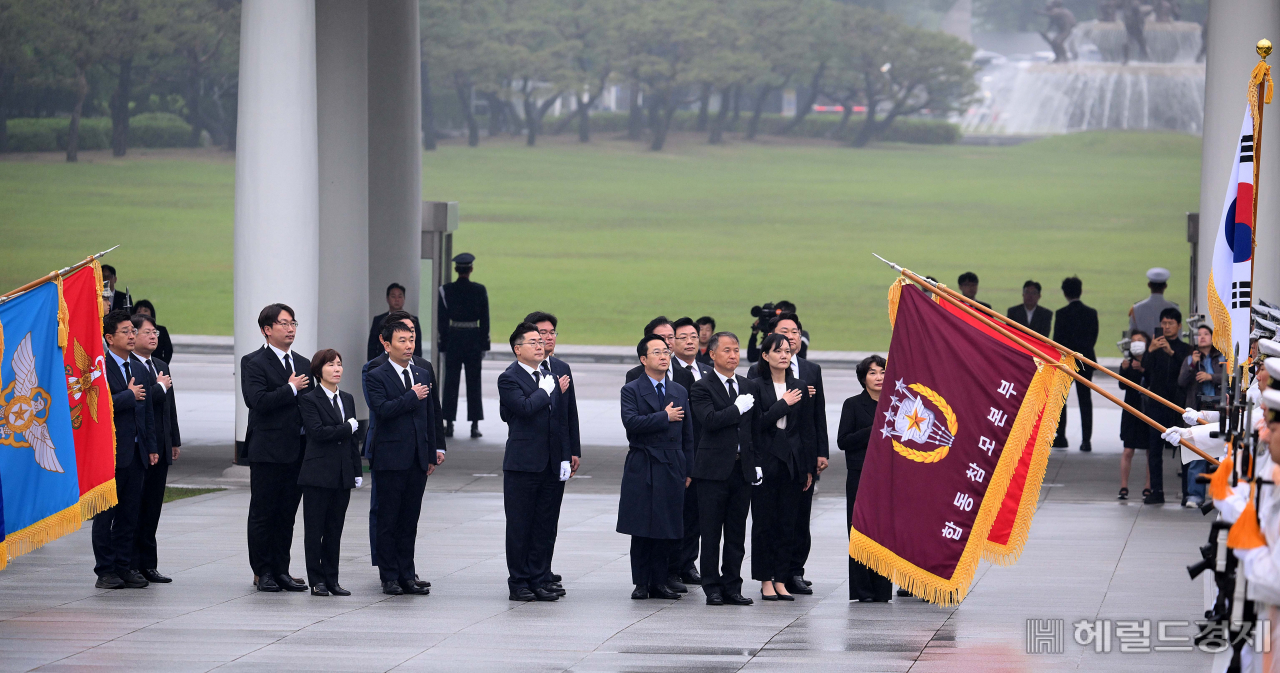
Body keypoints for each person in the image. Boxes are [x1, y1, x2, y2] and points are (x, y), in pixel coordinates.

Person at [361, 310, 441, 594]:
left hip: (417, 458)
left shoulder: (421, 372)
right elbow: (382, 410)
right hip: (390, 458)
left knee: (409, 519)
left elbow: (430, 414)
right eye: (402, 340)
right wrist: (411, 396)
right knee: (388, 518)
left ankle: (408, 573)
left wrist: (431, 451)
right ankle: (389, 575)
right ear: (387, 344)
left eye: (412, 339)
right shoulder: (376, 374)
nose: (409, 345)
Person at [749, 313, 826, 593]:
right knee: (764, 524)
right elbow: (756, 424)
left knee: (788, 523)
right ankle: (765, 580)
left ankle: (781, 579)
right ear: (766, 355)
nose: (784, 354)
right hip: (767, 462)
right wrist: (782, 404)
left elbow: (807, 428)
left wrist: (808, 467)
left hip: (793, 464)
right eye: (777, 350)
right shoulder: (756, 385)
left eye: (787, 350)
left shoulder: (799, 385)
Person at [240, 303, 311, 593]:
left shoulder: (305, 364)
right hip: (267, 451)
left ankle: (282, 569)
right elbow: (257, 400)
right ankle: (262, 571)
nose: (290, 328)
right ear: (266, 330)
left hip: (297, 451)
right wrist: (291, 388)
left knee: (287, 514)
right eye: (284, 323)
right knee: (263, 513)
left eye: (293, 323)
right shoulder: (253, 362)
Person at [619, 334, 694, 600]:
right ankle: (641, 582)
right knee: (642, 527)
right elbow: (632, 423)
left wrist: (688, 469)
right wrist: (664, 416)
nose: (664, 356)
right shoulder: (631, 389)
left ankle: (660, 581)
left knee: (666, 527)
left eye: (666, 352)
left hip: (672, 463)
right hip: (644, 462)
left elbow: (688, 434)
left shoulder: (679, 390)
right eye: (657, 352)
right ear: (643, 359)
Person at [497, 323, 567, 602]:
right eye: (533, 342)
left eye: (542, 341)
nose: (540, 345)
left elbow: (558, 421)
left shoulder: (548, 375)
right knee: (520, 525)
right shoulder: (509, 378)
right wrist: (545, 391)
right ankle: (519, 581)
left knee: (544, 524)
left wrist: (564, 454)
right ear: (518, 349)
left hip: (550, 462)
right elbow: (523, 409)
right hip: (523, 464)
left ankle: (539, 578)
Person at [688, 331, 759, 606]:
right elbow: (709, 420)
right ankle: (712, 586)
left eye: (736, 351)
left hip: (742, 470)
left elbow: (752, 429)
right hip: (712, 471)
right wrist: (736, 408)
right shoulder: (702, 386)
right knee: (711, 532)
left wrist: (756, 462)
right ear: (713, 354)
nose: (733, 356)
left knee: (736, 533)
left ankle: (732, 585)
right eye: (727, 350)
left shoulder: (747, 385)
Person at [93, 310, 157, 589]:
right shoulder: (99, 367)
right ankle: (105, 570)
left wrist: (152, 447)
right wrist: (127, 396)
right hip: (109, 453)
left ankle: (124, 566)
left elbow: (147, 413)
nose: (132, 336)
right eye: (125, 332)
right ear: (109, 337)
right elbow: (96, 405)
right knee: (105, 514)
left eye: (133, 330)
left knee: (130, 513)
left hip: (136, 453)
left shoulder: (140, 368)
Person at [523, 311, 581, 597]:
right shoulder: (523, 372)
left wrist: (573, 450)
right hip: (532, 457)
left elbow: (569, 414)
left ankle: (544, 569)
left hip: (557, 453)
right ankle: (531, 573)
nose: (548, 338)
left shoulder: (561, 367)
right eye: (541, 333)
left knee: (549, 518)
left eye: (552, 332)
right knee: (530, 520)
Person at [297, 349, 363, 597]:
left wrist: (356, 470)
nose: (337, 369)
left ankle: (333, 579)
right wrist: (346, 427)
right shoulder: (310, 399)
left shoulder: (347, 398)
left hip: (342, 474)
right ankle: (317, 579)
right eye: (330, 365)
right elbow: (318, 432)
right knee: (315, 531)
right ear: (318, 370)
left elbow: (352, 440)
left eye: (339, 364)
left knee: (335, 530)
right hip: (317, 474)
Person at [129, 312, 181, 585]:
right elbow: (143, 401)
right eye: (147, 332)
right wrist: (159, 388)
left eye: (155, 334)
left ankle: (149, 563)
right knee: (136, 506)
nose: (153, 337)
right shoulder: (130, 366)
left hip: (161, 444)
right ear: (132, 335)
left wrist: (174, 440)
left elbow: (169, 408)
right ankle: (133, 563)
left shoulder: (161, 364)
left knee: (153, 508)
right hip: (140, 448)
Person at [837, 354, 893, 602]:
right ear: (863, 378)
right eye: (872, 373)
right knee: (859, 531)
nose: (878, 377)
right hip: (860, 476)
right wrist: (874, 428)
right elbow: (843, 441)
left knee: (884, 532)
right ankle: (862, 590)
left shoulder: (897, 404)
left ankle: (882, 589)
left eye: (882, 372)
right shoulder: (852, 404)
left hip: (888, 477)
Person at [667, 317, 713, 587]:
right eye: (682, 337)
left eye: (694, 336)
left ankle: (688, 563)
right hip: (681, 451)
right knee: (679, 513)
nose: (690, 341)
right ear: (672, 342)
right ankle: (673, 566)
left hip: (706, 453)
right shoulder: (669, 371)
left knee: (697, 513)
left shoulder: (708, 370)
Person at [1141, 307, 1192, 505]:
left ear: (1179, 326)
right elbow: (1144, 367)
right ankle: (1156, 490)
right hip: (1156, 403)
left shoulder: (1184, 348)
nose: (1166, 327)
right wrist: (1151, 349)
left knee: (1184, 448)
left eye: (1170, 323)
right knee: (1154, 449)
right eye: (1163, 323)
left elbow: (1186, 370)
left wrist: (1171, 353)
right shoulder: (1154, 346)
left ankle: (1187, 493)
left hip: (1178, 404)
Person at [439, 252, 490, 439]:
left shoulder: (446, 290)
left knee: (451, 382)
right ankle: (474, 425)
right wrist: (484, 344)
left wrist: (443, 345)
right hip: (473, 338)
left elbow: (442, 321)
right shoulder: (479, 290)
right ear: (471, 269)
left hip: (454, 338)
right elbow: (485, 320)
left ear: (455, 269)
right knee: (474, 382)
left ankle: (449, 423)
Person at [1177, 324, 1224, 508]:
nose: (1202, 337)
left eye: (1206, 334)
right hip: (1197, 409)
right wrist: (1192, 365)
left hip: (1218, 409)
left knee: (1219, 454)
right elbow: (1181, 381)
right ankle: (1195, 496)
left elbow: (1229, 378)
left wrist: (1211, 377)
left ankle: (1218, 494)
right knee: (1197, 453)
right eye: (1199, 335)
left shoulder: (1221, 357)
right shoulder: (1190, 358)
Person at [1052, 276, 1098, 452]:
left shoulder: (1061, 313)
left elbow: (1057, 341)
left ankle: (1061, 436)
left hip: (1066, 362)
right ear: (1080, 290)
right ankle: (1086, 440)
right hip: (1085, 360)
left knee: (1061, 400)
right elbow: (1093, 337)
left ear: (1065, 293)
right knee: (1085, 400)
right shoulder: (1091, 312)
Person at [1117, 330, 1151, 501]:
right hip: (1130, 409)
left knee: (1149, 450)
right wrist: (1124, 370)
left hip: (1148, 409)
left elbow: (1155, 380)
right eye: (1134, 340)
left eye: (1140, 340)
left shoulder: (1152, 362)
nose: (1136, 343)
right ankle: (1124, 486)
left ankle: (1149, 485)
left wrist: (1144, 369)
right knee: (1128, 449)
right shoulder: (1127, 363)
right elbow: (1122, 386)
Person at [367, 283, 423, 361]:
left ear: (404, 298)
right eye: (393, 296)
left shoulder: (412, 320)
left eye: (400, 296)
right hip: (383, 363)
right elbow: (372, 346)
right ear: (387, 298)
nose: (397, 299)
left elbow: (417, 346)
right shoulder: (379, 320)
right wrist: (372, 365)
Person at [1128, 268, 1178, 338]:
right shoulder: (1174, 308)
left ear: (1149, 285)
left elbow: (1132, 334)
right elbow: (1178, 336)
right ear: (1165, 286)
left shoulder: (1136, 308)